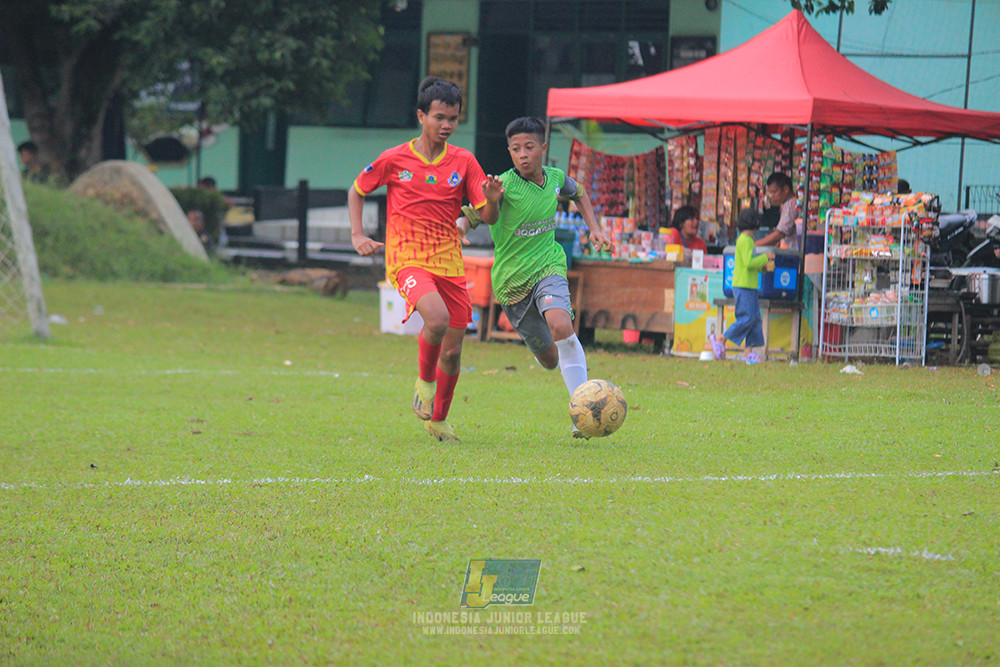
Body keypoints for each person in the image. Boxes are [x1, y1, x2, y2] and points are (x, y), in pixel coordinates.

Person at [349, 76, 497, 443]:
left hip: (448, 260)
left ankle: (439, 419)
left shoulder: (464, 161)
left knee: (454, 350)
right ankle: (424, 380)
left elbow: (488, 217)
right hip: (407, 257)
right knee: (437, 319)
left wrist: (493, 199)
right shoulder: (395, 158)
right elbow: (357, 190)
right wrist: (357, 234)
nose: (446, 125)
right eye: (439, 117)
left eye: (453, 118)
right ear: (421, 116)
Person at [457, 117, 613, 437]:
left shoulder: (555, 179)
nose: (523, 155)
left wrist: (595, 228)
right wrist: (465, 222)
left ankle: (582, 412)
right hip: (512, 283)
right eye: (516, 149)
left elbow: (579, 192)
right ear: (510, 153)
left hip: (548, 265)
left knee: (561, 326)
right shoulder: (502, 184)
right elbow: (484, 215)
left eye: (529, 147)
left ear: (543, 148)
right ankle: (565, 376)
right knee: (549, 358)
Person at [711, 209, 775, 364]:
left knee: (754, 319)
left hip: (750, 285)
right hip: (743, 285)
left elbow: (752, 264)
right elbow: (749, 262)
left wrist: (763, 267)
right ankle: (721, 338)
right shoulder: (745, 240)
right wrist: (764, 257)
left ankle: (748, 352)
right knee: (746, 317)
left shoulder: (748, 240)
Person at [756, 172, 798, 250]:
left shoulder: (791, 204)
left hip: (791, 254)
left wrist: (754, 245)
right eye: (770, 193)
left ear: (785, 189)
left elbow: (780, 233)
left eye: (774, 192)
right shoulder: (788, 204)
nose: (772, 196)